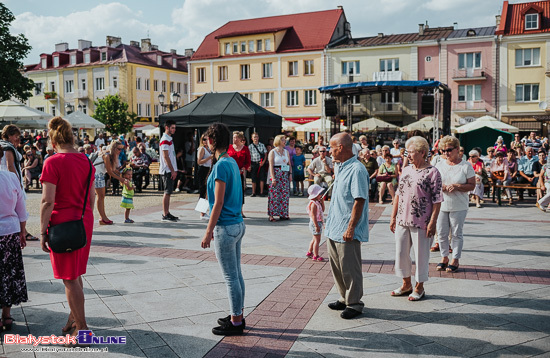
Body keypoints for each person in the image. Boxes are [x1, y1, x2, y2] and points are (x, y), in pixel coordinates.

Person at [39, 116, 96, 342]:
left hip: (62, 224)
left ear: (53, 141)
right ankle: (74, 319)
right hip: (83, 221)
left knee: (69, 278)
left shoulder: (52, 162)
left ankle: (82, 329)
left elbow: (47, 201)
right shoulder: (86, 161)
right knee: (76, 273)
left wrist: (42, 231)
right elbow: (91, 197)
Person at [200, 123, 246, 336]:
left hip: (225, 226)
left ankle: (236, 322)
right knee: (236, 274)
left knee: (230, 277)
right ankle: (238, 314)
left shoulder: (220, 165)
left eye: (207, 139)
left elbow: (218, 202)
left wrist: (208, 231)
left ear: (212, 140)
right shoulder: (231, 162)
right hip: (237, 223)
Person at [390, 136, 443, 301]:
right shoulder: (406, 169)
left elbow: (437, 199)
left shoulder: (432, 172)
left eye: (410, 152)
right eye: (407, 152)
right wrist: (392, 217)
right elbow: (398, 194)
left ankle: (420, 287)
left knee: (421, 255)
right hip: (402, 219)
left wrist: (433, 222)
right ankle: (406, 284)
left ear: (422, 152)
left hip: (422, 220)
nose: (408, 155)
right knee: (401, 253)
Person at [325, 133, 369, 320]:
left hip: (346, 227)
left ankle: (355, 303)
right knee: (337, 266)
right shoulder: (340, 166)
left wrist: (351, 227)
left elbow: (359, 200)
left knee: (350, 267)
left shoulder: (357, 169)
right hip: (334, 225)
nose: (329, 151)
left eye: (332, 147)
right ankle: (344, 297)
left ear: (341, 148)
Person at [435, 136, 475, 273]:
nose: (446, 153)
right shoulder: (439, 165)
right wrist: (442, 187)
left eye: (449, 150)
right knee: (441, 232)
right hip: (441, 203)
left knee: (457, 233)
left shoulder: (466, 165)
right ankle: (444, 257)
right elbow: (433, 183)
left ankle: (455, 259)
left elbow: (472, 185)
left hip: (459, 204)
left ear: (457, 149)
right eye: (443, 150)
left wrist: (458, 186)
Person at [0, 146, 28, 331]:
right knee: (8, 273)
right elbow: (21, 208)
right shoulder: (11, 177)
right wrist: (23, 231)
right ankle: (7, 315)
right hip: (9, 231)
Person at [102, 141, 129, 222]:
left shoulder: (111, 156)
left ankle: (102, 217)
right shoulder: (107, 155)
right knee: (100, 197)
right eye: (119, 149)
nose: (120, 151)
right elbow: (110, 172)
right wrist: (121, 179)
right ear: (113, 148)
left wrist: (123, 174)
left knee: (101, 197)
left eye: (122, 149)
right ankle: (103, 218)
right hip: (97, 174)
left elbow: (114, 170)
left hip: (98, 174)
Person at [267, 135, 292, 222]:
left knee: (284, 194)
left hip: (284, 174)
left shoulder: (286, 152)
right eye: (283, 140)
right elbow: (271, 165)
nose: (285, 142)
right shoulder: (273, 152)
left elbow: (289, 164)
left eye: (285, 140)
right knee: (274, 194)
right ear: (278, 141)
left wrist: (290, 174)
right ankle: (272, 214)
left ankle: (283, 213)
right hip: (276, 173)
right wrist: (273, 177)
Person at [228, 131, 251, 217]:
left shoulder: (245, 148)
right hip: (230, 173)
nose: (234, 139)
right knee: (230, 191)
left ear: (241, 139)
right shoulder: (229, 147)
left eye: (236, 137)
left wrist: (244, 168)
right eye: (233, 137)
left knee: (240, 192)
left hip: (239, 173)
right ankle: (230, 210)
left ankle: (240, 210)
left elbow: (248, 161)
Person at [159, 120, 178, 222]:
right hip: (167, 170)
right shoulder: (165, 139)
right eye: (172, 128)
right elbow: (166, 156)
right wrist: (172, 170)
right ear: (167, 127)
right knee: (167, 192)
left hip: (170, 169)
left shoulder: (169, 139)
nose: (174, 130)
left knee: (169, 192)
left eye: (174, 128)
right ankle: (165, 213)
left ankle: (167, 212)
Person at [306, 184, 325, 262]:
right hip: (315, 223)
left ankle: (309, 252)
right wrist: (316, 226)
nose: (321, 195)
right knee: (317, 240)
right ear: (316, 194)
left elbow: (322, 210)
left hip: (318, 223)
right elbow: (313, 216)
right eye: (320, 193)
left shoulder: (317, 202)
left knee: (314, 239)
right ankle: (315, 255)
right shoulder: (313, 204)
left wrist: (322, 202)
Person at [248, 132, 268, 197]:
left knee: (262, 178)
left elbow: (265, 154)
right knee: (253, 178)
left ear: (258, 137)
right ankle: (253, 192)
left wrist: (263, 162)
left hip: (260, 163)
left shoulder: (262, 145)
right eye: (254, 137)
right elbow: (248, 156)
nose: (256, 138)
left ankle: (261, 192)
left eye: (256, 137)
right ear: (252, 138)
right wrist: (249, 165)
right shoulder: (250, 146)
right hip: (253, 163)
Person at [197, 134, 213, 209]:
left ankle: (203, 210)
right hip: (203, 169)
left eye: (207, 139)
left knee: (206, 190)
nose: (206, 141)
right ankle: (201, 211)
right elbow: (199, 161)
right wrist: (209, 157)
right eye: (204, 139)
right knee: (203, 190)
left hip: (208, 169)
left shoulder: (208, 149)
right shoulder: (202, 149)